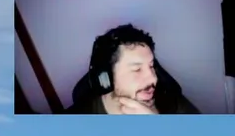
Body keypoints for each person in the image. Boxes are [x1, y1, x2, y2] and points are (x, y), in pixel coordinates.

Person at [64, 24, 198, 115]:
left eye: (151, 66)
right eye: (137, 69)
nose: (153, 78)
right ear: (106, 78)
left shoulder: (170, 100)